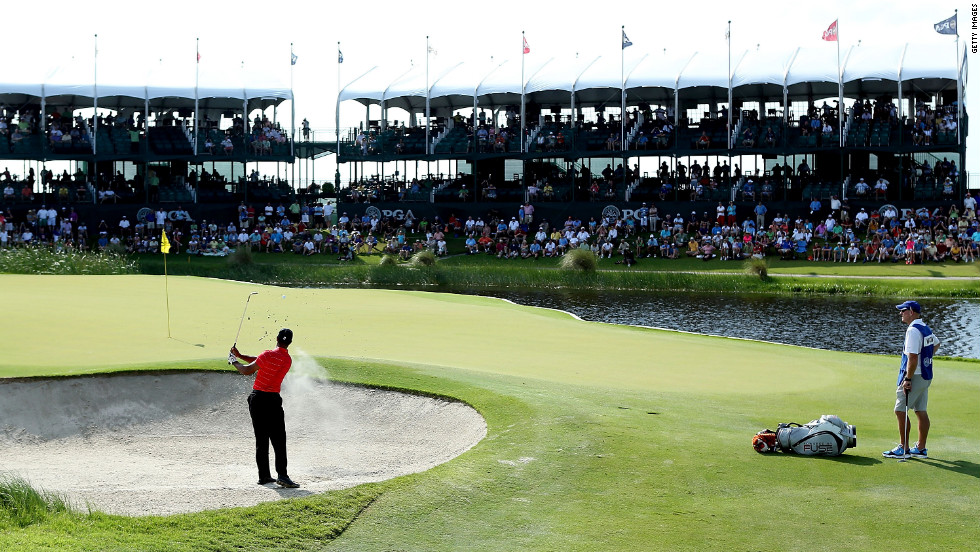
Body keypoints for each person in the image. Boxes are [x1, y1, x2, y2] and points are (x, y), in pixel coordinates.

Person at [229, 328, 301, 488]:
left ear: (276, 338)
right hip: (273, 401)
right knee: (279, 439)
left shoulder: (267, 355)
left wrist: (234, 361)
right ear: (289, 342)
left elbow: (248, 369)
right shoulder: (287, 360)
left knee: (262, 439)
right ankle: (282, 475)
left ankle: (264, 476)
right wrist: (240, 356)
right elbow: (259, 360)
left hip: (258, 400)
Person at [883, 301, 940, 460]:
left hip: (915, 377)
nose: (900, 313)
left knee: (900, 410)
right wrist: (926, 360)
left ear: (910, 311)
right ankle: (921, 448)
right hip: (925, 376)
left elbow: (913, 357)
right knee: (920, 411)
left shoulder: (913, 331)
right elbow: (936, 344)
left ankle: (904, 448)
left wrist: (908, 378)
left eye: (902, 311)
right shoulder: (924, 327)